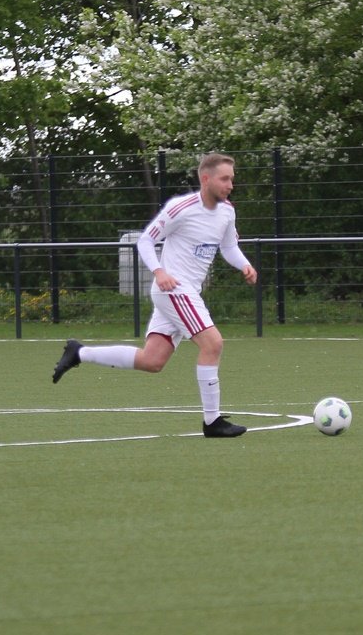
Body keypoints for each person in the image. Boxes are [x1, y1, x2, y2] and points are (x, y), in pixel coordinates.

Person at [51, 152, 258, 437]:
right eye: (224, 179)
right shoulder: (181, 208)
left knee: (152, 361)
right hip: (174, 289)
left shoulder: (227, 211)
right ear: (205, 179)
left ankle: (79, 352)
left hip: (186, 292)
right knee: (213, 344)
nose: (230, 185)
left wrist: (244, 264)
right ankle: (212, 422)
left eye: (232, 179)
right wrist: (159, 272)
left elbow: (228, 246)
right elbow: (146, 240)